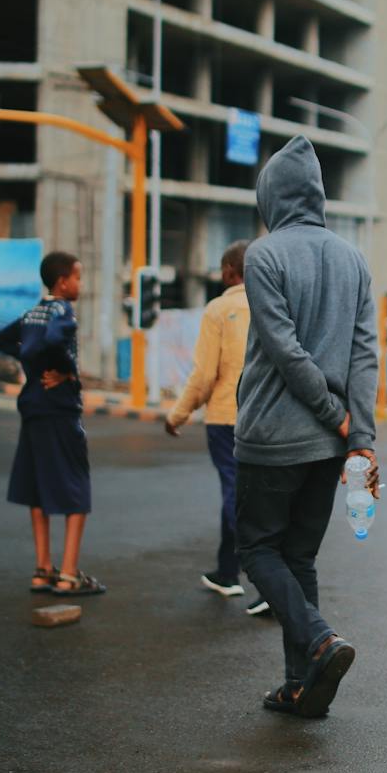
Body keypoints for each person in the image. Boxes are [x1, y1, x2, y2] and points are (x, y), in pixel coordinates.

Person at [234, 136, 378, 719]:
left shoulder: (263, 256)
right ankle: (302, 686)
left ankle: (319, 641)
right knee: (299, 559)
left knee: (257, 549)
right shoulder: (354, 259)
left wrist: (334, 415)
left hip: (273, 435)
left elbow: (285, 351)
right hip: (331, 444)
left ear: (272, 196)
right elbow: (366, 355)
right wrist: (358, 435)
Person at [0, 250, 103, 597]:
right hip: (60, 408)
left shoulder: (33, 312)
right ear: (63, 281)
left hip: (32, 407)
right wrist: (64, 369)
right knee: (77, 488)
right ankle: (69, 574)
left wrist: (32, 362)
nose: (80, 285)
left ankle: (42, 569)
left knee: (37, 486)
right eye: (78, 277)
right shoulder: (62, 311)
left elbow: (2, 340)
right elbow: (57, 340)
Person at [166, 239, 257, 610]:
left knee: (234, 495)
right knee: (247, 494)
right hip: (265, 418)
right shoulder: (275, 304)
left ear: (228, 272)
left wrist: (178, 414)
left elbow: (204, 374)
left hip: (225, 417)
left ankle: (267, 582)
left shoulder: (219, 309)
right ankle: (226, 572)